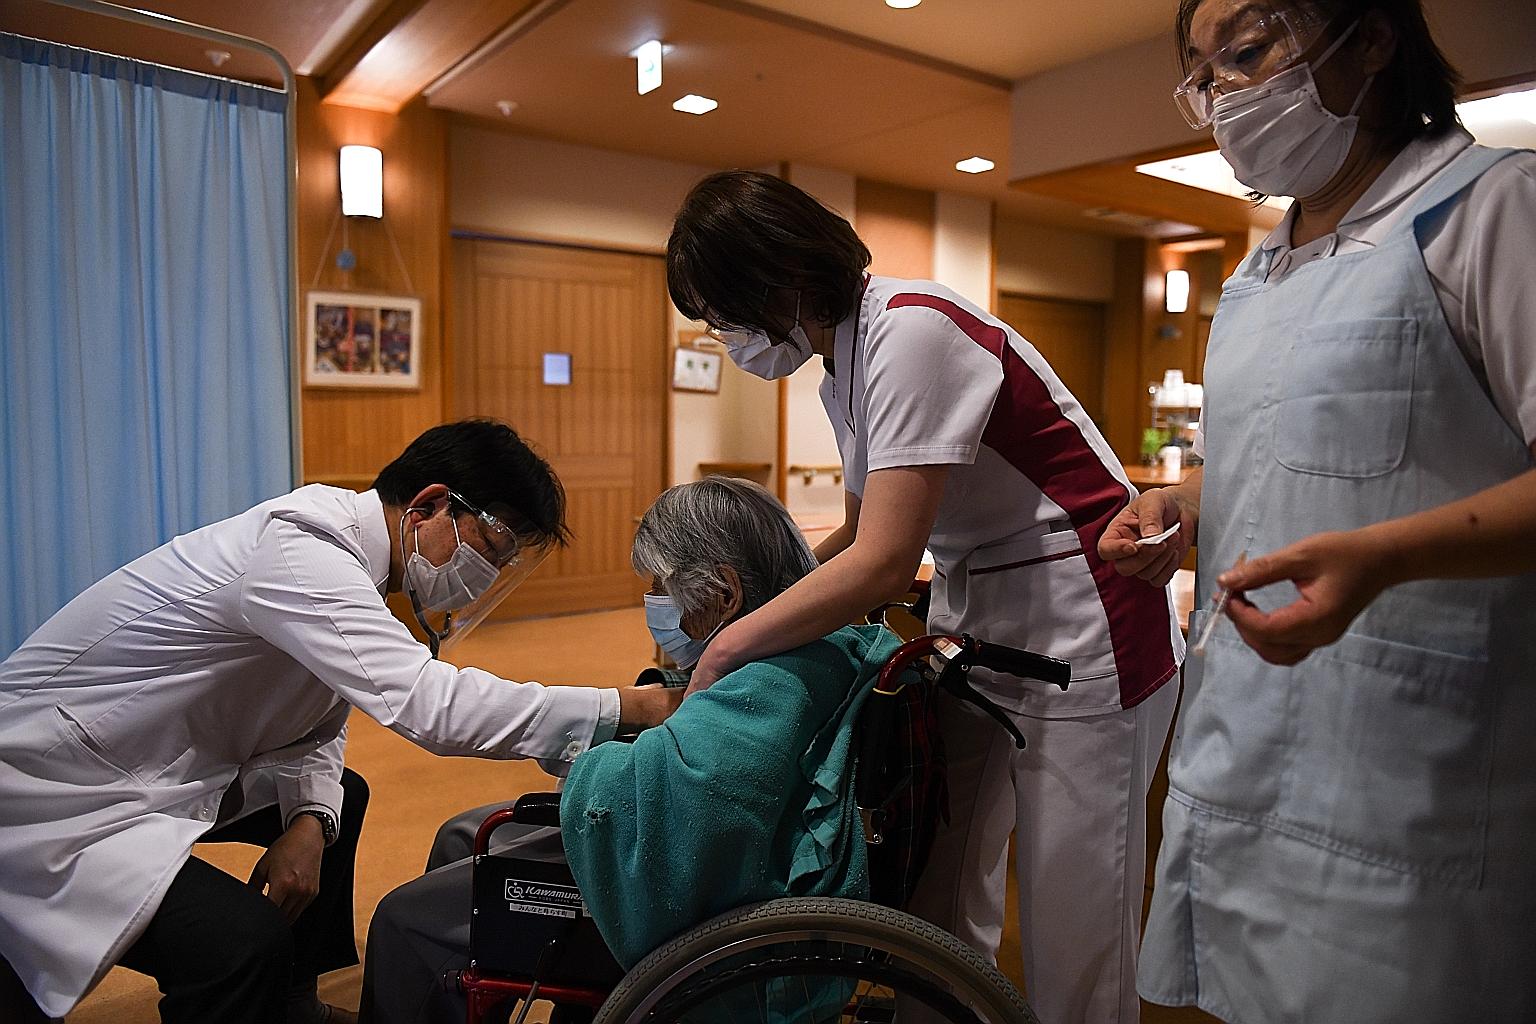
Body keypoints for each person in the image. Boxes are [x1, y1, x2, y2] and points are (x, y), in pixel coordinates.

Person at [1097, 2, 1536, 1020]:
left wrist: (1381, 558)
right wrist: (1181, 502)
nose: (1229, 96)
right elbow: (1279, 458)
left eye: (1249, 51)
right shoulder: (1258, 270)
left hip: (1409, 780)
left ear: (1374, 34)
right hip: (1241, 753)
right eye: (1206, 74)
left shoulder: (1488, 210)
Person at [664, 172, 1185, 1023]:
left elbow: (880, 563)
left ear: (780, 279)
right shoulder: (844, 361)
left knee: (1073, 911)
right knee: (940, 883)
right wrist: (746, 606)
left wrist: (727, 648)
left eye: (726, 315)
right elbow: (858, 534)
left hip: (1088, 614)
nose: (727, 337)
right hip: (977, 614)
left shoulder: (912, 330)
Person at [0, 419, 682, 1024]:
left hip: (151, 758)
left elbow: (316, 723)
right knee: (239, 945)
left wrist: (306, 825)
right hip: (55, 785)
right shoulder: (302, 554)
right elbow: (428, 706)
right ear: (429, 507)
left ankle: (289, 999)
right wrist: (628, 705)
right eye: (492, 545)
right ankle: (247, 981)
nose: (490, 572)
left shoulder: (353, 567)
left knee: (338, 800)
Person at [359, 476, 901, 1023]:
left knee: (403, 920)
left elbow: (682, 804)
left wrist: (594, 762)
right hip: (740, 859)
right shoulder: (808, 650)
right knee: (460, 835)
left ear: (724, 593)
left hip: (711, 909)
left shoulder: (767, 683)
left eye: (661, 589)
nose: (653, 604)